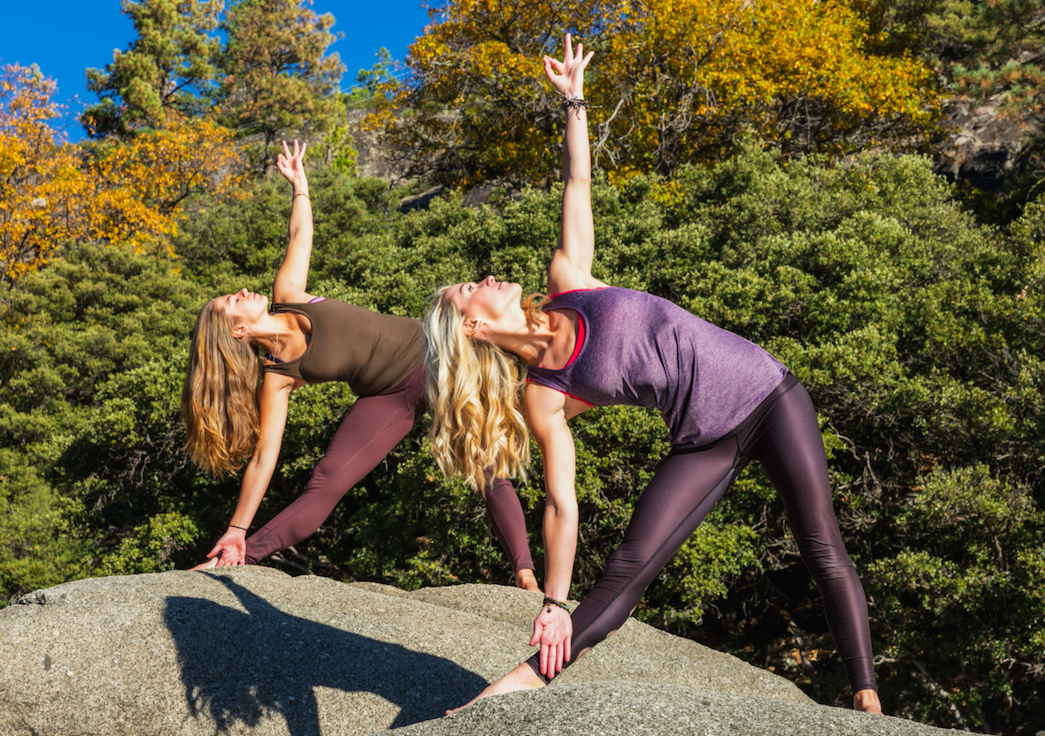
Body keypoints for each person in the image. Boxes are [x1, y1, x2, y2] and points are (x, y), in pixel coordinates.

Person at [424, 35, 883, 713]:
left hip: (770, 394)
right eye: (470, 286)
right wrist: (553, 600)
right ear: (469, 327)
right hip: (705, 441)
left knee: (820, 544)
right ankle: (509, 692)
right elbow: (561, 503)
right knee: (625, 572)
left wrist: (574, 99)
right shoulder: (544, 395)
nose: (486, 276)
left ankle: (866, 698)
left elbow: (577, 183)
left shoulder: (567, 283)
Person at [181, 139, 538, 591]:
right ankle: (240, 556)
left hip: (436, 354)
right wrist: (236, 528)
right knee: (326, 481)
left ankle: (525, 573)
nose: (241, 292)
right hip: (388, 399)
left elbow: (299, 235)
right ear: (236, 332)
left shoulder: (289, 293)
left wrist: (299, 186)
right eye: (232, 301)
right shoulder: (278, 377)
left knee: (487, 462)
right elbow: (263, 460)